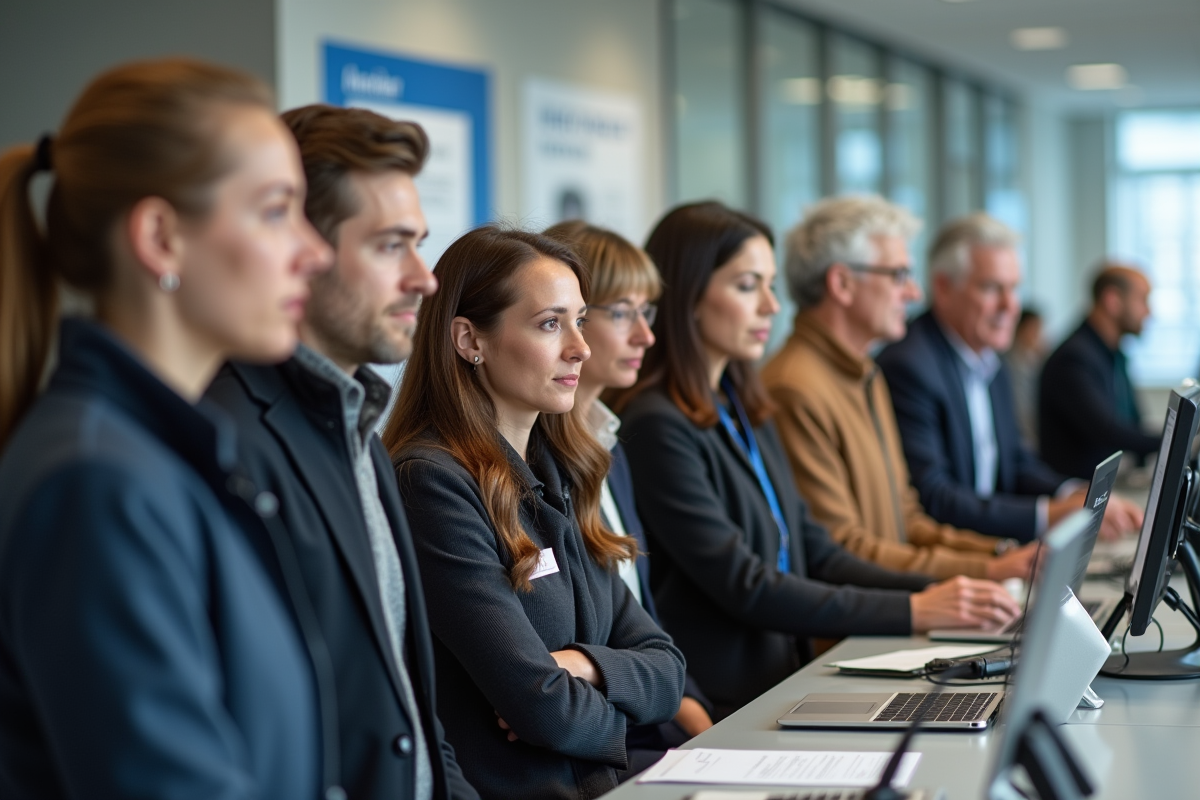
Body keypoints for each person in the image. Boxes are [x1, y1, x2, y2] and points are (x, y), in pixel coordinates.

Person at [0, 60, 334, 798]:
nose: (314, 252)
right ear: (160, 237)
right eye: (275, 211)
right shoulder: (98, 484)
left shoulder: (161, 453)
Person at [613, 201, 1020, 719]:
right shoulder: (657, 423)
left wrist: (946, 591)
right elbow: (745, 584)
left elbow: (816, 550)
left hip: (784, 675)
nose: (771, 306)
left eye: (770, 285)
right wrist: (915, 608)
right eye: (747, 286)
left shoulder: (745, 405)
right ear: (689, 296)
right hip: (724, 703)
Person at [203, 105, 477, 800]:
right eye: (390, 246)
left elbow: (409, 708)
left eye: (419, 244)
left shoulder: (359, 430)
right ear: (301, 250)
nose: (423, 278)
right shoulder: (226, 441)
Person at [383, 226, 686, 800]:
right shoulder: (430, 482)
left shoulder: (559, 471)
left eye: (581, 320)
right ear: (469, 340)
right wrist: (618, 708)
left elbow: (667, 667)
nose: (581, 347)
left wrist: (584, 665)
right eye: (550, 324)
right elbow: (544, 710)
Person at [762, 196, 1037, 581]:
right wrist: (988, 568)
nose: (914, 293)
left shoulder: (866, 374)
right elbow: (843, 551)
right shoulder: (795, 388)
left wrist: (1002, 553)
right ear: (842, 283)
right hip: (865, 616)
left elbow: (906, 521)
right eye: (898, 275)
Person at [544, 220, 714, 774]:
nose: (646, 336)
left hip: (647, 711)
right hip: (606, 734)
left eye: (647, 313)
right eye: (622, 313)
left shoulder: (608, 445)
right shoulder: (536, 465)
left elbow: (643, 620)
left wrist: (689, 706)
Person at [876, 213, 1142, 542]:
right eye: (991, 288)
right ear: (943, 287)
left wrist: (1078, 494)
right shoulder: (909, 365)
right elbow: (935, 498)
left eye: (1014, 288)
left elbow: (1015, 463)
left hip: (992, 543)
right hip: (951, 554)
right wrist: (1050, 515)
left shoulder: (992, 360)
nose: (1010, 305)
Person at [1039, 263, 1160, 480]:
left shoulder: (1115, 355)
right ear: (1113, 300)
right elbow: (1108, 432)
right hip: (1080, 490)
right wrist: (1180, 440)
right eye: (1142, 300)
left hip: (1113, 483)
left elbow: (1134, 422)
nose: (1148, 312)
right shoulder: (1073, 358)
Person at [1005, 308, 1047, 447]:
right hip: (1025, 438)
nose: (1038, 335)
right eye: (1034, 329)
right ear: (1020, 330)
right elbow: (1022, 410)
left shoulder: (1034, 359)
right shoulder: (1011, 362)